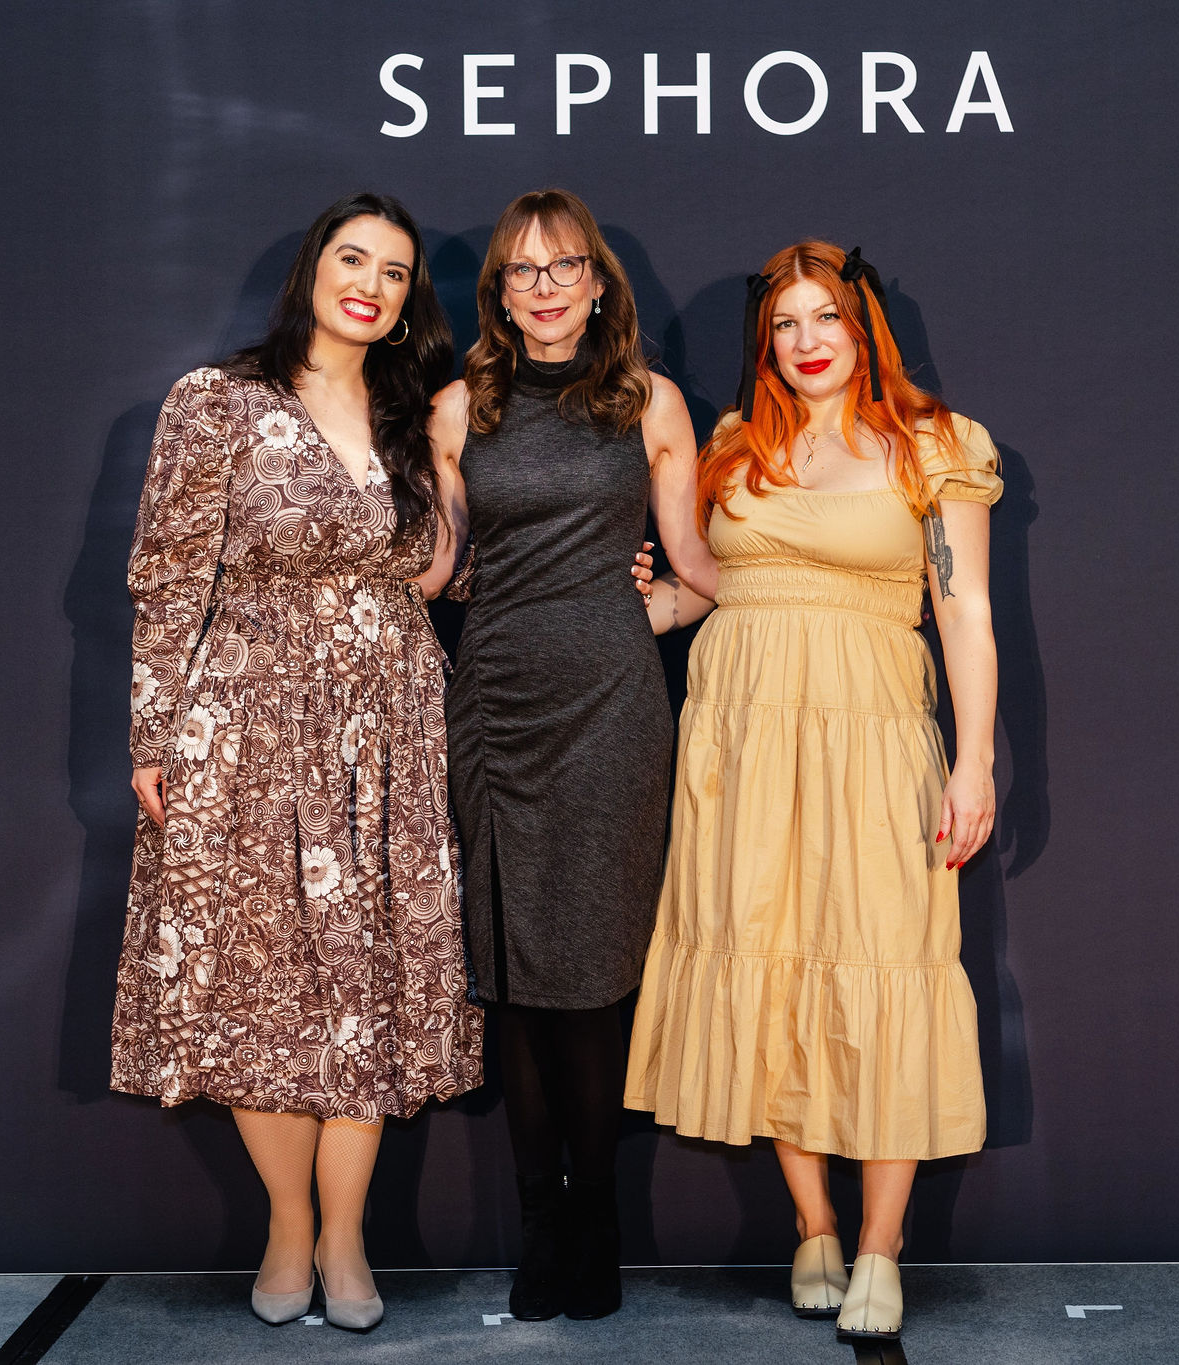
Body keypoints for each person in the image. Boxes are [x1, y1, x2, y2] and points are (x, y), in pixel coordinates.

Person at [111, 191, 482, 1332]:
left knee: (365, 981)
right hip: (250, 722)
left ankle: (346, 1236)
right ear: (313, 272)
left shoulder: (416, 414)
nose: (368, 282)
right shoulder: (216, 402)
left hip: (389, 727)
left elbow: (444, 577)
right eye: (350, 257)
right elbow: (168, 579)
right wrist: (156, 736)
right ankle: (284, 1226)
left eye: (393, 271)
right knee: (260, 984)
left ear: (408, 300)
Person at [625, 240, 1002, 1343]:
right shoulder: (735, 446)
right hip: (737, 746)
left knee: (883, 961)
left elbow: (964, 612)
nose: (804, 343)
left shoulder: (932, 445)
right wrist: (595, 610)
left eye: (823, 319)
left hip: (871, 737)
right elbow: (711, 594)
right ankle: (813, 1227)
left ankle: (880, 1248)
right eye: (783, 326)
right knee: (772, 966)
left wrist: (972, 761)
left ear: (862, 326)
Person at [428, 188, 713, 1321]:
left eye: (563, 268)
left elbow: (692, 562)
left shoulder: (650, 402)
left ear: (599, 283)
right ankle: (538, 1226)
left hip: (610, 711)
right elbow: (440, 573)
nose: (542, 288)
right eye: (518, 273)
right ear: (497, 294)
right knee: (515, 988)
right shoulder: (456, 411)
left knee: (591, 985)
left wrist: (634, 616)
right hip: (494, 707)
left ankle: (591, 1220)